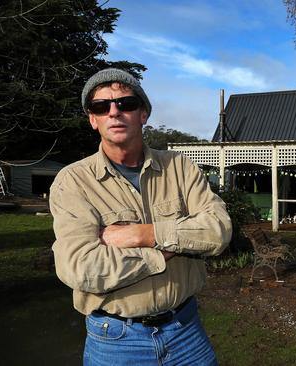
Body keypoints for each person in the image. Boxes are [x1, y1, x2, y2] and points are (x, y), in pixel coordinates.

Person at [49, 68, 232, 365]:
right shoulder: (72, 182)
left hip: (186, 331)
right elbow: (82, 269)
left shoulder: (180, 167)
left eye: (126, 103)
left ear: (143, 113)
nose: (114, 112)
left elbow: (218, 231)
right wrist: (169, 248)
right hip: (115, 341)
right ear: (92, 119)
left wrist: (140, 235)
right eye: (101, 106)